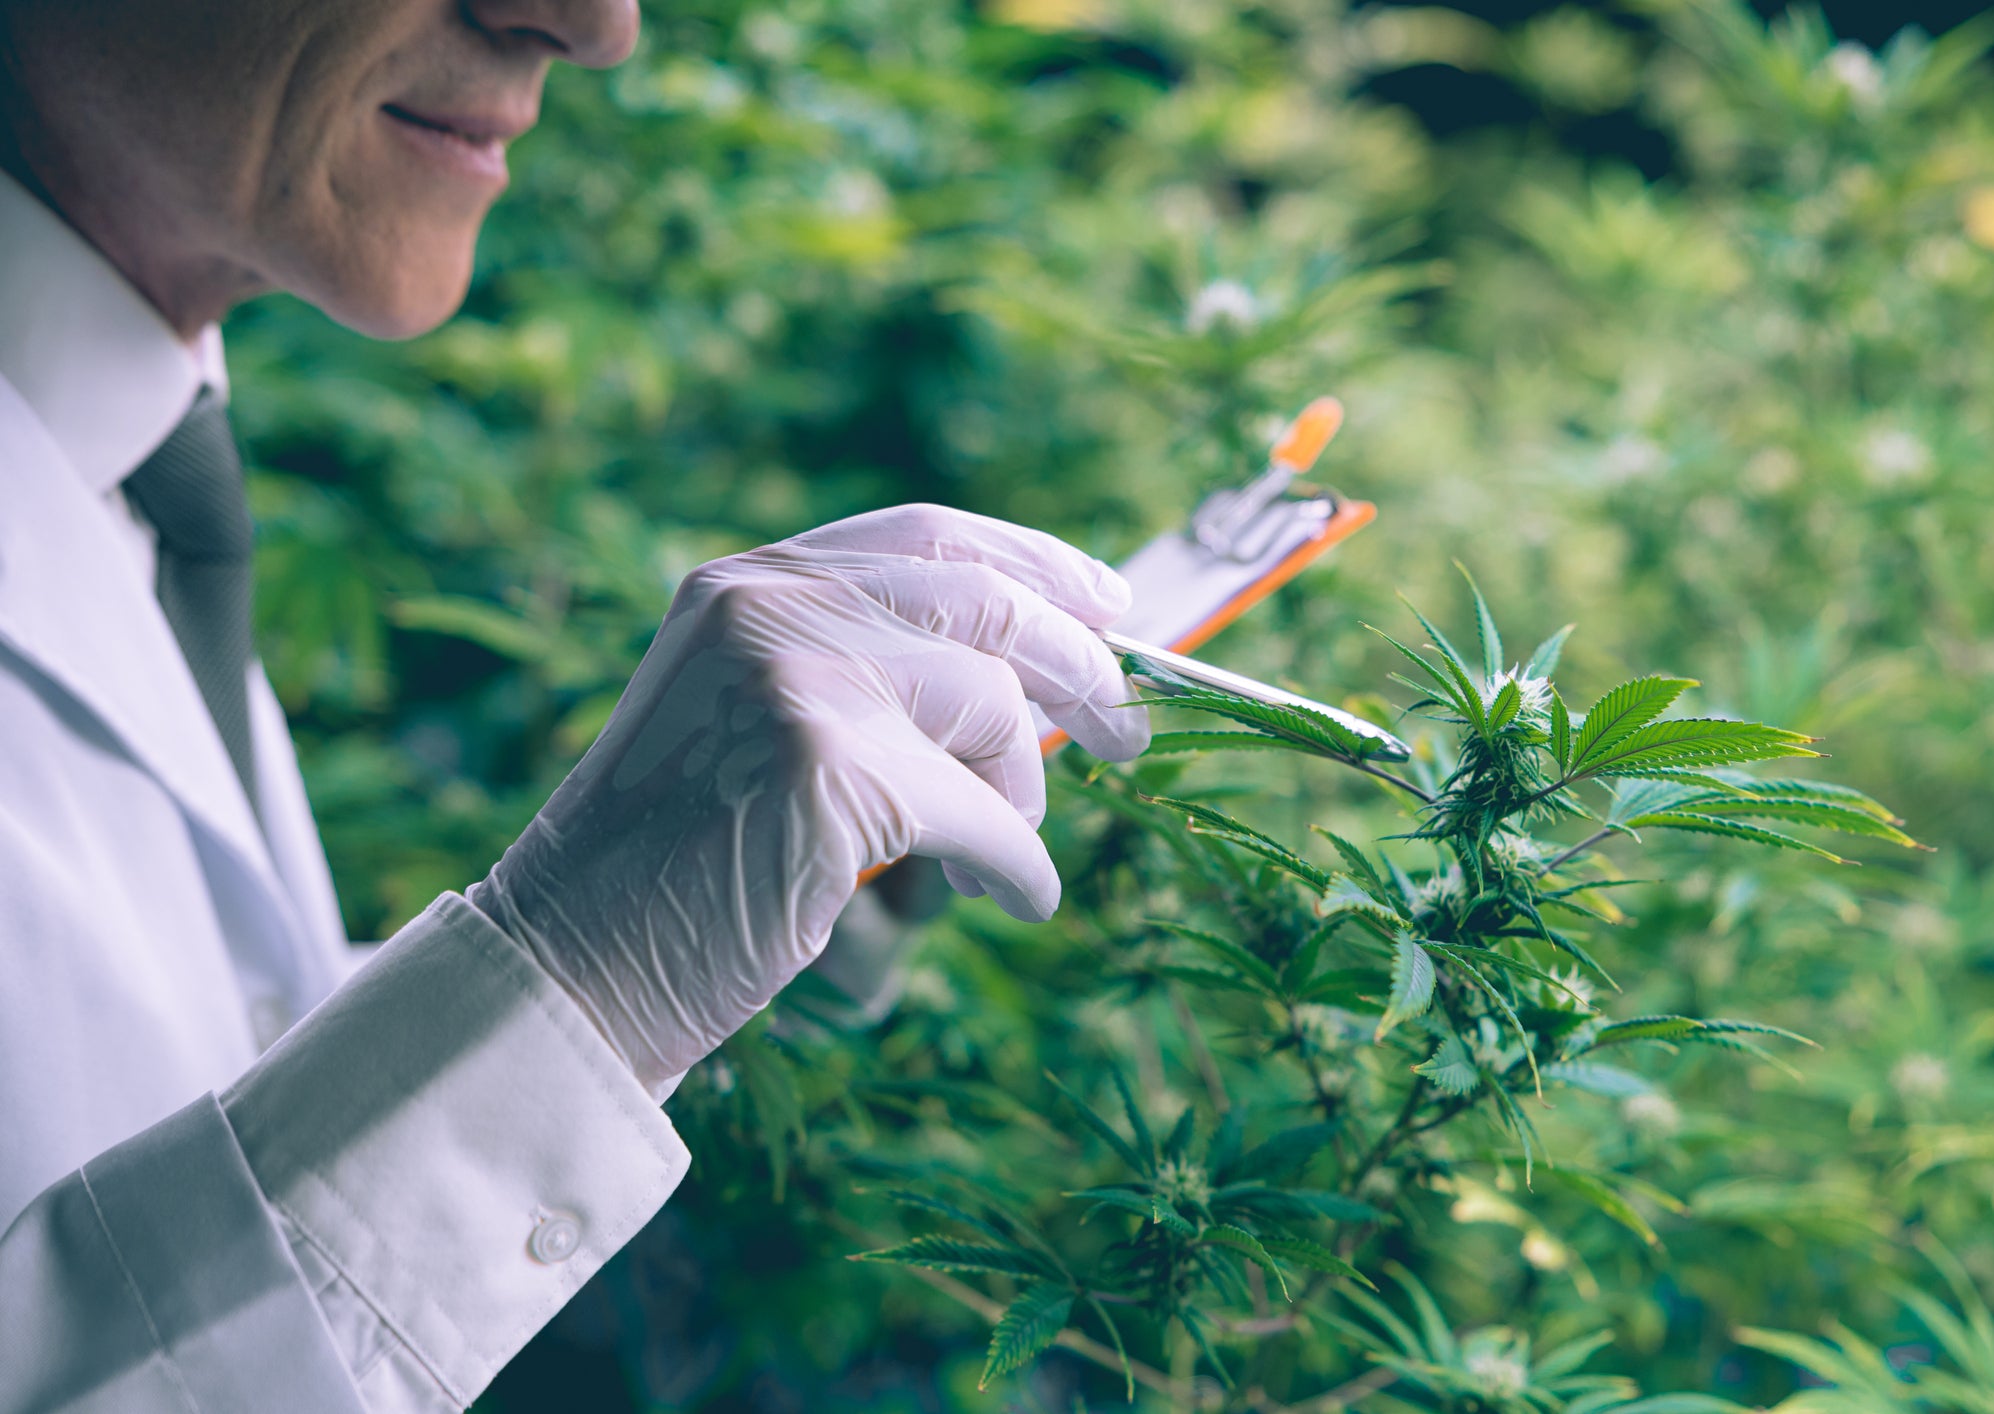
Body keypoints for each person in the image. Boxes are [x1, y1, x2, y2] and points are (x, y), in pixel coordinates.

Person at [0, 3, 1150, 1409]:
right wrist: (573, 974)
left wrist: (694, 954)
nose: (596, 24)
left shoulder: (121, 468)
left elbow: (144, 1116)